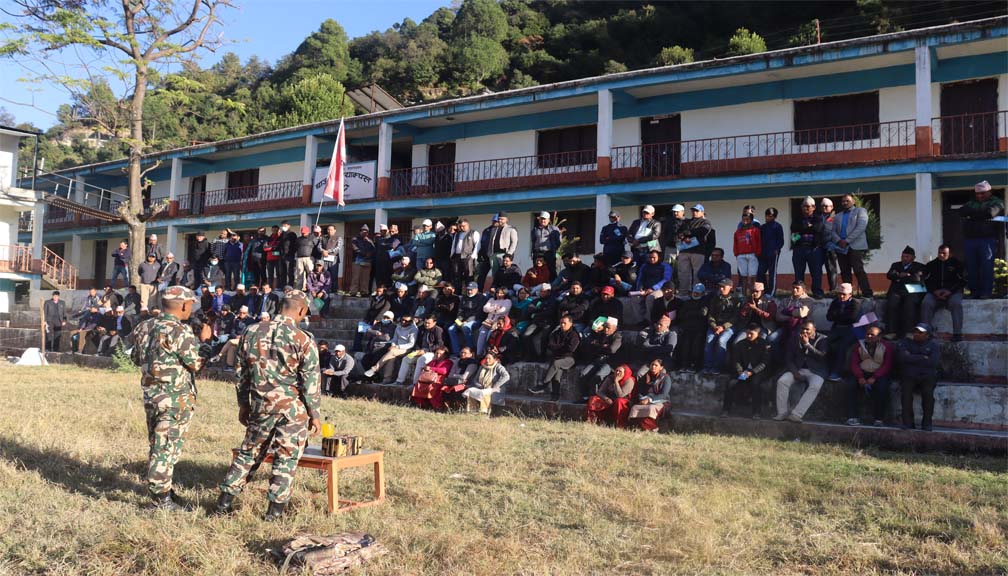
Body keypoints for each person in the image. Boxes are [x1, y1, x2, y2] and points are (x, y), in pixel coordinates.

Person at [214, 290, 321, 521]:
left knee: (248, 454)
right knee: (286, 458)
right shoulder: (303, 339)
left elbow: (241, 375)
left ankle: (223, 504)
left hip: (261, 405)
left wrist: (243, 404)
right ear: (301, 310)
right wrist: (315, 414)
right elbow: (311, 382)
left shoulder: (251, 331)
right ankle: (274, 513)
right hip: (292, 409)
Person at [130, 285, 207, 510]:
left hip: (152, 396)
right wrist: (206, 342)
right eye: (191, 304)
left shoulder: (143, 327)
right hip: (175, 398)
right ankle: (161, 499)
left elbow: (136, 358)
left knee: (158, 442)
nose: (191, 308)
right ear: (184, 305)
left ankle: (165, 488)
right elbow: (195, 363)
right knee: (166, 446)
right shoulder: (180, 331)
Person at [774, 320, 828, 423]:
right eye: (803, 328)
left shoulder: (823, 339)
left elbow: (822, 356)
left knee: (815, 386)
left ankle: (796, 414)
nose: (804, 331)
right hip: (798, 369)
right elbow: (789, 359)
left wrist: (807, 344)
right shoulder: (794, 338)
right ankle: (782, 413)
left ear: (814, 330)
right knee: (782, 381)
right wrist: (795, 373)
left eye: (807, 329)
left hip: (816, 371)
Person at [959, 180, 1005, 299]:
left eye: (983, 193)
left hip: (987, 239)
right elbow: (961, 211)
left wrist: (972, 216)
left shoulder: (997, 202)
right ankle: (974, 292)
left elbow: (990, 213)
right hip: (970, 239)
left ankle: (986, 292)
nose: (979, 196)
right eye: (978, 193)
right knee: (971, 267)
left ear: (989, 192)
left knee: (986, 266)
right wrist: (980, 215)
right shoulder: (972, 202)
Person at [844, 326, 895, 427]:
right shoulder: (859, 345)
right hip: (862, 372)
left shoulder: (887, 346)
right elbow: (854, 363)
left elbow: (887, 365)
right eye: (868, 334)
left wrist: (875, 377)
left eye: (872, 334)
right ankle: (852, 417)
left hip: (879, 373)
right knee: (851, 386)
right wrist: (860, 377)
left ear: (879, 337)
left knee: (882, 388)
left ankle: (879, 418)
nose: (869, 336)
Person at [899, 323, 941, 431]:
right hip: (909, 375)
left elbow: (933, 362)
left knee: (928, 396)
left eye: (920, 332)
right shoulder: (906, 343)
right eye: (915, 332)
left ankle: (927, 423)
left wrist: (912, 357)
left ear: (927, 335)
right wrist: (923, 357)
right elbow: (903, 358)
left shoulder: (933, 345)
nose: (917, 334)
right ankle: (908, 423)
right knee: (906, 395)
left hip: (927, 376)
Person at [921, 244, 967, 342]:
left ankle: (957, 333)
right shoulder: (931, 265)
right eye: (939, 253)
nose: (941, 255)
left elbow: (962, 281)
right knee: (926, 303)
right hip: (935, 293)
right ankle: (925, 333)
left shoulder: (958, 264)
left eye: (944, 253)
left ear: (950, 254)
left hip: (953, 292)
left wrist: (949, 291)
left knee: (956, 303)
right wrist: (934, 291)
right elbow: (926, 281)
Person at [723, 323, 770, 419]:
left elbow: (765, 363)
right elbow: (736, 361)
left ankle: (756, 412)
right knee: (731, 383)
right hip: (743, 372)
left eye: (751, 334)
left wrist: (751, 372)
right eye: (747, 333)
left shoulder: (764, 345)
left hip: (757, 372)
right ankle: (725, 410)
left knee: (755, 383)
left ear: (758, 333)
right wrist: (741, 373)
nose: (748, 336)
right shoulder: (740, 344)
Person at [830, 194, 872, 297]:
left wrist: (847, 240)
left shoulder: (860, 211)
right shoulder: (837, 216)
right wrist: (839, 240)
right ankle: (847, 294)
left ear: (853, 202)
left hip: (855, 246)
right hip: (841, 247)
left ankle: (867, 293)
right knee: (845, 272)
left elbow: (861, 227)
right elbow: (832, 231)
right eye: (843, 201)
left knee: (858, 270)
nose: (845, 203)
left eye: (847, 201)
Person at [531, 314, 580, 401]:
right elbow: (550, 346)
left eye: (564, 323)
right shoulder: (556, 333)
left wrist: (557, 347)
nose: (562, 325)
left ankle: (544, 384)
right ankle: (555, 396)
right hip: (558, 357)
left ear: (571, 324)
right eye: (561, 323)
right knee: (556, 375)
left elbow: (571, 349)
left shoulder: (574, 335)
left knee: (556, 363)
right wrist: (561, 347)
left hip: (570, 359)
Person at [883, 246, 926, 339]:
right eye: (903, 256)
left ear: (913, 257)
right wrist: (901, 275)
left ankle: (909, 332)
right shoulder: (895, 265)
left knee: (909, 305)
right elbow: (890, 275)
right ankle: (891, 331)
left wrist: (899, 277)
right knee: (892, 303)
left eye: (907, 256)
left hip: (912, 291)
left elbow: (916, 278)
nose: (904, 258)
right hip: (898, 291)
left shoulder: (919, 266)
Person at [363, 313, 418, 384]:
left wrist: (397, 347)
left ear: (410, 321)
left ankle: (374, 369)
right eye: (403, 320)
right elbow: (395, 339)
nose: (404, 322)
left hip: (406, 348)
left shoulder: (413, 329)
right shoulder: (398, 327)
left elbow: (411, 344)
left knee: (391, 352)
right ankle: (387, 379)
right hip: (396, 347)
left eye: (406, 321)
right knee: (391, 358)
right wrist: (393, 345)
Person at [578, 317, 622, 402]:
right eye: (605, 327)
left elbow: (612, 350)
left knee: (598, 377)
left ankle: (595, 399)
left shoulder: (618, 337)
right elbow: (592, 345)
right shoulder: (601, 335)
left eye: (608, 328)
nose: (606, 329)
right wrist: (602, 346)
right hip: (598, 359)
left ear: (614, 329)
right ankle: (585, 397)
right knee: (583, 374)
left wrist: (600, 346)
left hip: (609, 362)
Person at [791, 196, 825, 298]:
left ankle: (817, 292)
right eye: (803, 206)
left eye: (808, 206)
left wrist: (803, 229)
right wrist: (809, 228)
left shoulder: (818, 218)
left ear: (814, 207)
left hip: (814, 249)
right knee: (799, 273)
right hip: (799, 249)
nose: (805, 208)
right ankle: (800, 293)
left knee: (816, 272)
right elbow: (793, 230)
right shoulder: (797, 218)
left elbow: (818, 229)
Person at [395, 315, 444, 386]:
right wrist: (417, 350)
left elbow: (439, 344)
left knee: (420, 360)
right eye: (425, 322)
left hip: (432, 352)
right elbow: (417, 341)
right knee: (406, 359)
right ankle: (399, 381)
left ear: (434, 323)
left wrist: (426, 351)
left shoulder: (438, 330)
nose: (426, 325)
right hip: (420, 350)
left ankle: (415, 383)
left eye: (428, 323)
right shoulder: (422, 329)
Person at [826, 283, 861, 381]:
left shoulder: (855, 303)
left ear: (850, 294)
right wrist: (842, 315)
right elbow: (829, 317)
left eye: (844, 294)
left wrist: (837, 315)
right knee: (827, 343)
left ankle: (837, 372)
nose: (841, 296)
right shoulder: (835, 302)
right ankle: (826, 369)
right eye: (839, 294)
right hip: (837, 328)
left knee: (842, 347)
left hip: (851, 329)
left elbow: (852, 318)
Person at [703, 279, 738, 374]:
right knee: (709, 340)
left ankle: (718, 367)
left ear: (730, 287)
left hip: (729, 327)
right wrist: (714, 326)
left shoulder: (736, 300)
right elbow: (711, 315)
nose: (721, 289)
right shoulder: (715, 298)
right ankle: (707, 366)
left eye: (724, 287)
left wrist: (723, 327)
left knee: (721, 341)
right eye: (720, 287)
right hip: (715, 326)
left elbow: (735, 318)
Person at [676, 204, 715, 290]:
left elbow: (702, 231)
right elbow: (679, 232)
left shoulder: (705, 222)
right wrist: (683, 237)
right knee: (683, 273)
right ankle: (684, 293)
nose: (694, 212)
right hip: (684, 250)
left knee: (697, 274)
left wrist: (687, 234)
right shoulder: (686, 222)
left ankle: (697, 293)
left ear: (702, 212)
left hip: (698, 251)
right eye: (693, 210)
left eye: (697, 211)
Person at [628, 358, 672, 431]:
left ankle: (652, 427)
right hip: (644, 400)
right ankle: (640, 427)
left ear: (661, 368)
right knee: (635, 408)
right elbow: (640, 391)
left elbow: (664, 394)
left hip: (661, 401)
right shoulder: (645, 377)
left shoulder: (666, 378)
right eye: (652, 365)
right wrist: (641, 399)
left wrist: (649, 399)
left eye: (656, 365)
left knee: (650, 408)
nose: (653, 367)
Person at [461, 350, 510, 414]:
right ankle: (472, 410)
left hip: (494, 388)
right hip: (482, 387)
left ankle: (484, 411)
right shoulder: (482, 367)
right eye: (486, 358)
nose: (487, 360)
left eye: (490, 358)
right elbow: (475, 379)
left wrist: (495, 385)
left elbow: (506, 376)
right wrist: (479, 385)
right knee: (470, 390)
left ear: (495, 359)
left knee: (484, 393)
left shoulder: (498, 367)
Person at [677, 283, 709, 372]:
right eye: (694, 293)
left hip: (699, 329)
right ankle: (684, 365)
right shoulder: (687, 303)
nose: (695, 294)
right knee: (685, 347)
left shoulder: (704, 303)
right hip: (687, 328)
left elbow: (703, 313)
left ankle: (695, 365)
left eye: (698, 293)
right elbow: (681, 315)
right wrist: (694, 313)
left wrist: (690, 313)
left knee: (696, 347)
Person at [448, 282, 487, 354]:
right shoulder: (464, 297)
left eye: (471, 290)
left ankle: (470, 348)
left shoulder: (481, 298)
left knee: (465, 327)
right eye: (468, 290)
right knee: (451, 329)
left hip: (476, 320)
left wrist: (467, 321)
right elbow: (460, 310)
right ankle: (456, 352)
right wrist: (458, 320)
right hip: (463, 319)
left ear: (476, 289)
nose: (469, 291)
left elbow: (478, 313)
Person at [411, 345, 454, 410]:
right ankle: (421, 404)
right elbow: (427, 366)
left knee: (431, 388)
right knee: (418, 386)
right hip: (428, 379)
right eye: (437, 353)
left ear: (445, 355)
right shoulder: (433, 361)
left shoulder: (447, 362)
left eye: (441, 354)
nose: (438, 355)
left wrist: (431, 368)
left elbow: (444, 371)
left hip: (439, 380)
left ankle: (436, 406)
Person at [636, 250, 673, 320]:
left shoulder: (665, 266)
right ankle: (640, 320)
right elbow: (640, 278)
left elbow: (666, 279)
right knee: (635, 298)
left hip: (659, 289)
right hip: (645, 289)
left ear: (659, 257)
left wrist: (653, 288)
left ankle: (650, 320)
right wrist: (640, 288)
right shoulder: (644, 266)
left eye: (654, 257)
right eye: (650, 257)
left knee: (651, 298)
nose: (652, 259)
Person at [476, 287, 512, 356]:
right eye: (498, 293)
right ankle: (479, 353)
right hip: (488, 321)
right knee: (482, 334)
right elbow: (485, 309)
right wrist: (495, 308)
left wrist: (492, 309)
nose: (499, 294)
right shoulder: (492, 299)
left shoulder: (507, 301)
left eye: (501, 293)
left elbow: (503, 310)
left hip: (498, 323)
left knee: (489, 335)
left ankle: (487, 353)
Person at [733, 210, 762, 295]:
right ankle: (745, 294)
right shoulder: (737, 232)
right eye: (743, 219)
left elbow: (759, 242)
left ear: (751, 220)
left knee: (753, 276)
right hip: (741, 255)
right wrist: (736, 254)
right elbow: (735, 244)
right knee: (744, 276)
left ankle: (752, 294)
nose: (745, 221)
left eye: (747, 219)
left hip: (752, 254)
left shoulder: (755, 230)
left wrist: (757, 253)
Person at [758, 207, 784, 295]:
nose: (768, 217)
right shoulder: (763, 227)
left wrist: (777, 249)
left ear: (774, 216)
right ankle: (764, 289)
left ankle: (771, 292)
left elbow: (781, 240)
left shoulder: (778, 226)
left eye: (770, 216)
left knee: (772, 273)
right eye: (767, 215)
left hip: (773, 253)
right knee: (760, 272)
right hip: (763, 253)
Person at [530, 211, 562, 278]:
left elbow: (558, 242)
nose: (543, 220)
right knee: (537, 270)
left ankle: (552, 286)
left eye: (544, 219)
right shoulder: (535, 229)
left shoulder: (554, 229)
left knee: (551, 270)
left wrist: (553, 249)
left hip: (549, 253)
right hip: (537, 253)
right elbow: (533, 241)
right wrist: (533, 252)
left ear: (548, 220)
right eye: (541, 219)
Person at [450, 219, 480, 287]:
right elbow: (453, 245)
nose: (462, 227)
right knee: (457, 275)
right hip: (457, 257)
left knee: (469, 275)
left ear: (468, 225)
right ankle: (458, 293)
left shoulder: (474, 233)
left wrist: (473, 256)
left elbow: (477, 245)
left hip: (468, 257)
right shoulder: (457, 234)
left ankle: (469, 292)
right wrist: (451, 255)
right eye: (460, 226)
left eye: (464, 226)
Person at [818, 198, 839, 293]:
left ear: (832, 207)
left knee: (831, 269)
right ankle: (817, 290)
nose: (824, 208)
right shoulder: (817, 217)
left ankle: (833, 289)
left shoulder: (836, 217)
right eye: (823, 206)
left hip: (830, 247)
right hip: (818, 247)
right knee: (817, 269)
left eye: (827, 206)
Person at [348, 225, 375, 296]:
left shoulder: (369, 241)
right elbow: (355, 248)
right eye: (363, 231)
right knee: (355, 278)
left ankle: (364, 292)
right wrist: (364, 254)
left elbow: (373, 249)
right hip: (357, 261)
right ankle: (353, 292)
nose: (365, 233)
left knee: (365, 278)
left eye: (366, 232)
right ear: (360, 231)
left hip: (367, 262)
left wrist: (370, 254)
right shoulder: (355, 239)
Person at [277, 221, 298, 289]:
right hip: (282, 256)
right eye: (282, 226)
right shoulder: (281, 235)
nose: (283, 227)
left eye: (285, 225)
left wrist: (291, 253)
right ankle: (282, 286)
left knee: (290, 272)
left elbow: (295, 245)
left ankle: (290, 286)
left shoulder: (292, 234)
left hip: (289, 256)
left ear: (289, 226)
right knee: (282, 272)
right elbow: (279, 245)